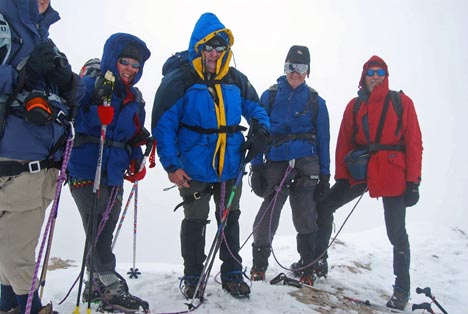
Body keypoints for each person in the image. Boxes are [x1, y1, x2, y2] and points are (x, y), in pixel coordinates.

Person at [152, 12, 270, 299]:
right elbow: (163, 125)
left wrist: (262, 132)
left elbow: (256, 109)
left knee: (230, 219)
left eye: (219, 48)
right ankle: (193, 275)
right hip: (192, 167)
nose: (214, 54)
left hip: (231, 165)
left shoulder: (235, 79)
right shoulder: (180, 79)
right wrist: (171, 165)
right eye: (208, 47)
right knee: (195, 220)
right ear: (198, 47)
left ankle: (231, 273)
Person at [314, 55, 423, 310]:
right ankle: (318, 262)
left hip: (393, 172)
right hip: (361, 170)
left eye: (380, 72)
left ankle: (402, 289)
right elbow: (344, 142)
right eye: (371, 72)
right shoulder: (355, 106)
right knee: (325, 206)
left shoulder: (401, 102)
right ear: (364, 76)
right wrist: (342, 177)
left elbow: (414, 143)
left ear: (386, 77)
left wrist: (413, 182)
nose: (375, 76)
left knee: (396, 232)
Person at [0, 0, 83, 313]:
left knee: (11, 251)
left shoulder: (45, 40)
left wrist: (70, 82)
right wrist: (23, 72)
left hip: (37, 166)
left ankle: (11, 307)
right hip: (18, 161)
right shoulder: (6, 28)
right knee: (12, 252)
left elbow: (76, 95)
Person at [67, 33, 151, 312]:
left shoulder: (135, 98)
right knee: (98, 228)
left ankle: (95, 284)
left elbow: (135, 136)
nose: (129, 68)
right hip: (86, 165)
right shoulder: (89, 85)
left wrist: (136, 159)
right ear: (112, 60)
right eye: (124, 61)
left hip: (114, 169)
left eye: (135, 65)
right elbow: (70, 113)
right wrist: (94, 105)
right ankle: (111, 289)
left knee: (105, 226)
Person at [249, 45, 331, 285]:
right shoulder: (270, 96)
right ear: (284, 68)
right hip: (276, 161)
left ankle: (307, 267)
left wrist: (325, 175)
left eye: (301, 67)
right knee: (268, 212)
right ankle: (259, 265)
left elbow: (324, 140)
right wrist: (256, 166)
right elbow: (258, 133)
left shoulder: (316, 102)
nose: (295, 73)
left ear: (308, 71)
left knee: (305, 214)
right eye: (290, 67)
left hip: (307, 163)